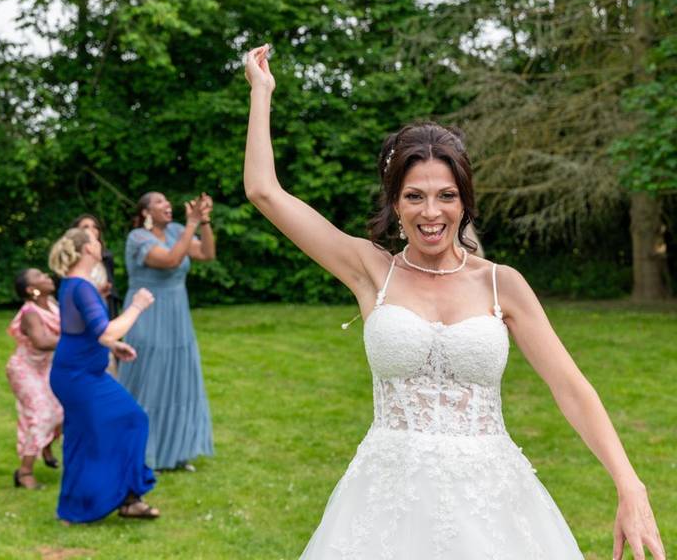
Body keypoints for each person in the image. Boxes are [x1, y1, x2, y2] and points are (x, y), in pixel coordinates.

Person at [242, 44, 665, 560]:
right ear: (395, 203)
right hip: (386, 501)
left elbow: (570, 387)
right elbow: (264, 191)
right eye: (415, 196)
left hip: (492, 502)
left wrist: (630, 485)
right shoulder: (370, 270)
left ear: (464, 200)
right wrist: (261, 94)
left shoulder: (501, 283)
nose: (431, 212)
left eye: (446, 195)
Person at [47, 228, 159, 523]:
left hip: (80, 371)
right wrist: (137, 306)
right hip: (77, 375)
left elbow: (92, 332)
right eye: (95, 241)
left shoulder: (76, 284)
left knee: (88, 435)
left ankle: (116, 500)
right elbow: (106, 329)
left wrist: (113, 345)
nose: (99, 244)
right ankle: (119, 499)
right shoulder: (81, 286)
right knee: (129, 420)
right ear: (87, 250)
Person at [118, 191, 216, 471]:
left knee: (179, 383)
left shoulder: (176, 230)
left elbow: (207, 254)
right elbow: (171, 259)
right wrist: (192, 224)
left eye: (167, 201)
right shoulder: (137, 238)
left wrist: (204, 222)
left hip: (177, 316)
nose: (167, 205)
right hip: (146, 314)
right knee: (149, 383)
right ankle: (141, 453)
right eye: (159, 202)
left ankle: (176, 452)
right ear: (146, 212)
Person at [6, 268, 64, 489]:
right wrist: (78, 341)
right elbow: (41, 341)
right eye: (40, 277)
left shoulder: (53, 304)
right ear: (32, 290)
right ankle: (24, 472)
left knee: (63, 410)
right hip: (25, 369)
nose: (47, 277)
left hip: (47, 366)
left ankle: (46, 446)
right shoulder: (30, 312)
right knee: (41, 414)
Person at [71, 214, 122, 318]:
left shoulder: (107, 257)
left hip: (107, 302)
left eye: (95, 227)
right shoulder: (72, 258)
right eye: (86, 227)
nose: (91, 230)